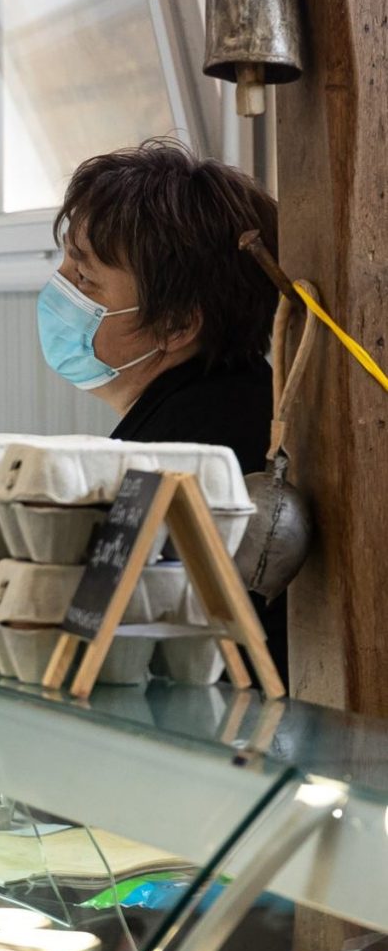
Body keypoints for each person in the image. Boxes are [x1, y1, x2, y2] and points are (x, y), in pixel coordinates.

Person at [46, 139, 285, 675]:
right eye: (64, 263)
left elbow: (90, 653)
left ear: (176, 325)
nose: (59, 290)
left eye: (85, 280)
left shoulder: (178, 455)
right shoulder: (243, 401)